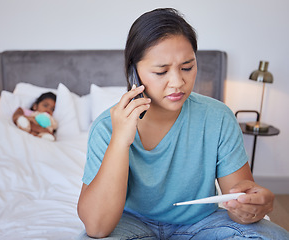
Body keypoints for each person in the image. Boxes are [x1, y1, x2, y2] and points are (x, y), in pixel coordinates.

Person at [77, 8, 289, 239]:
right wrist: (119, 140)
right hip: (129, 224)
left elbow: (238, 206)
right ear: (133, 74)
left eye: (187, 67)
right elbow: (97, 228)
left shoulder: (218, 117)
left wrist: (252, 207)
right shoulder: (106, 127)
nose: (178, 82)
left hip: (202, 223)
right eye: (161, 71)